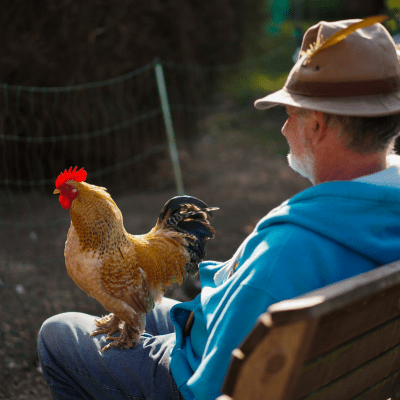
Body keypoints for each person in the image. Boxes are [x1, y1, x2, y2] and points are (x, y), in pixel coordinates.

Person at [38, 18, 400, 400]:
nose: (282, 129)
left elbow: (213, 386)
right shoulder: (377, 216)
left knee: (58, 332)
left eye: (290, 114)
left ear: (318, 125)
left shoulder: (285, 251)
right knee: (154, 313)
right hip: (311, 364)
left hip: (191, 375)